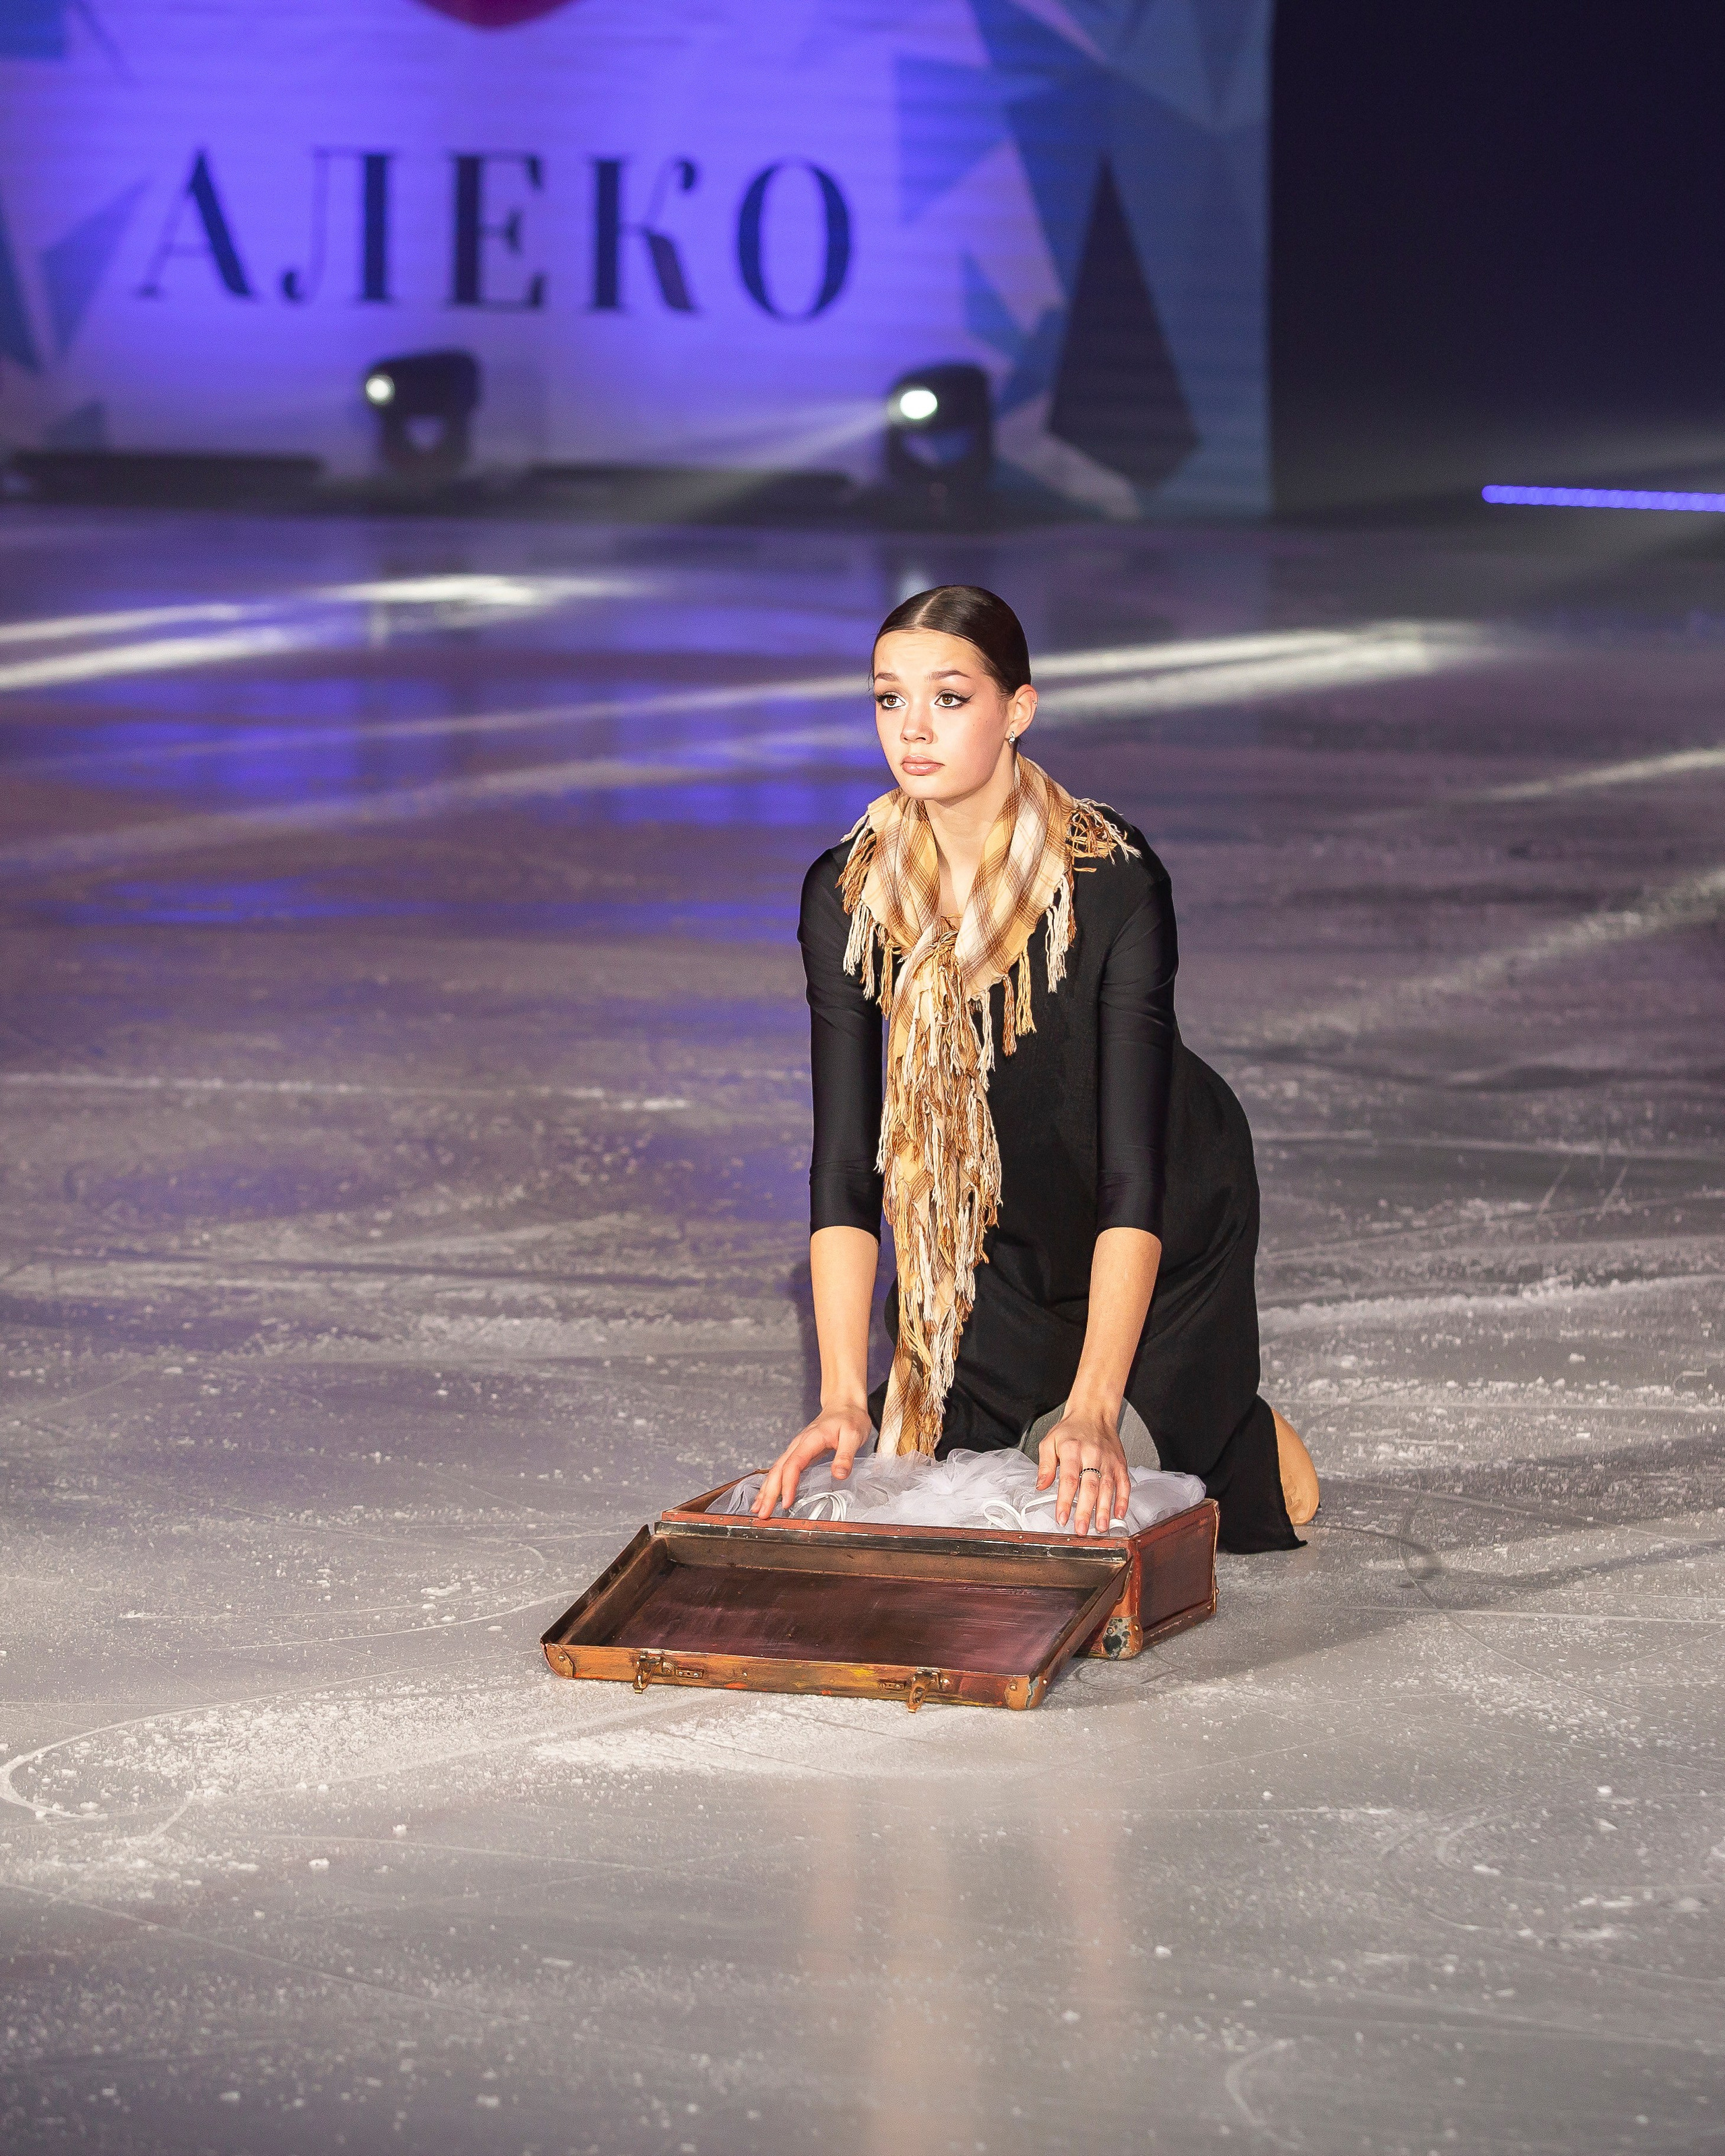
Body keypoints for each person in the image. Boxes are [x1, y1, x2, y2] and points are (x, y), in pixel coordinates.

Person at [753, 585, 1319, 1550]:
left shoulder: (1108, 876)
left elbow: (1132, 1175)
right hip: (996, 1242)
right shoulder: (848, 890)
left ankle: (1234, 1430)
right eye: (890, 699)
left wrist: (1100, 1403)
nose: (913, 730)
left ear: (1017, 710)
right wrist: (845, 1395)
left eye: (951, 697)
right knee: (920, 1489)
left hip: (1161, 1223)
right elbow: (847, 1167)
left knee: (1105, 1497)